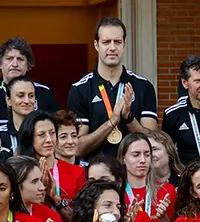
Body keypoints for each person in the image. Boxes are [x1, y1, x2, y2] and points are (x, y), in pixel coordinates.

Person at [67, 17, 158, 161]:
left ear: (124, 44)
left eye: (117, 42)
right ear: (96, 45)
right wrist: (112, 121)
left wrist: (129, 118)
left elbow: (153, 143)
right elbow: (77, 148)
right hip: (97, 177)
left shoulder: (143, 86)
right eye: (106, 42)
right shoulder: (80, 89)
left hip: (135, 173)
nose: (112, 47)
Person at [17, 109, 87, 212]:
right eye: (41, 135)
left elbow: (82, 219)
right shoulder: (20, 172)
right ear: (30, 138)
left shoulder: (77, 173)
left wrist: (57, 199)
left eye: (52, 133)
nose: (49, 139)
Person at [0, 36, 58, 113]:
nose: (15, 64)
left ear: (28, 65)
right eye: (9, 59)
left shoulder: (44, 93)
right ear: (0, 64)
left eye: (20, 59)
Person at [3, 76, 38, 153]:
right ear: (8, 100)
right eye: (21, 96)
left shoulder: (45, 132)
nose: (27, 101)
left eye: (31, 96)